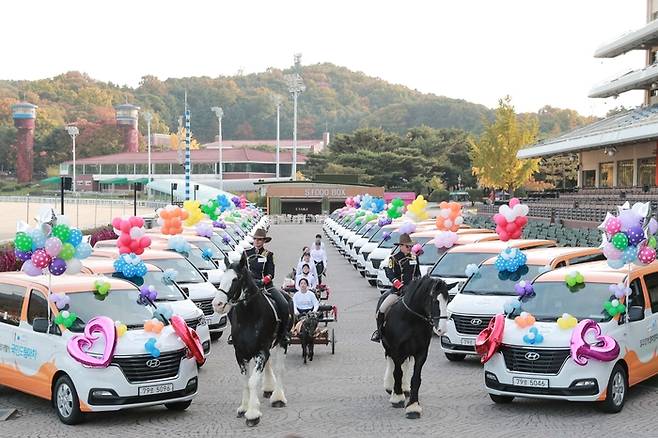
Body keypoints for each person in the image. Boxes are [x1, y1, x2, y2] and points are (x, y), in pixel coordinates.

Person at [371, 233, 421, 342]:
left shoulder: (414, 257)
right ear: (401, 246)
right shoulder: (393, 259)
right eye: (407, 246)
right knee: (382, 309)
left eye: (411, 246)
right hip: (398, 291)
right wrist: (399, 285)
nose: (410, 248)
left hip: (412, 291)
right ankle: (379, 333)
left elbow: (418, 274)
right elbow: (389, 273)